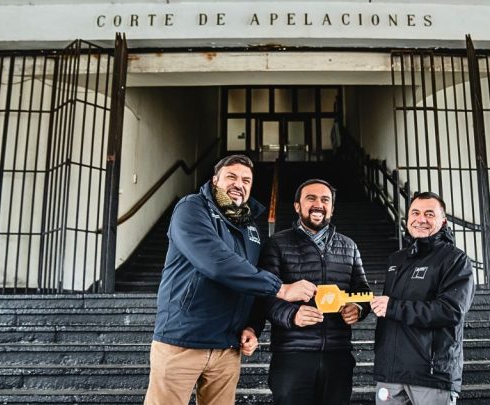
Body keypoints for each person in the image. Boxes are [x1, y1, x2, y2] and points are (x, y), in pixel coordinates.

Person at [144, 155, 317, 405]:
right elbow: (216, 262)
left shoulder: (251, 229)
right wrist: (280, 288)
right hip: (182, 342)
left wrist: (252, 326)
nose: (240, 184)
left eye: (246, 180)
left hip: (227, 347)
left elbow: (252, 283)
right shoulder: (192, 208)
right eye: (231, 177)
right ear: (215, 180)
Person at [258, 179, 372, 405]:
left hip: (337, 355)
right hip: (292, 355)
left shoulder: (349, 246)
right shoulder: (276, 244)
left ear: (332, 207)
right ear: (297, 206)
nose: (318, 204)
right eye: (311, 198)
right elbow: (264, 295)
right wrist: (292, 315)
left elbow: (363, 290)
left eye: (325, 199)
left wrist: (359, 309)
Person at [370, 192, 475, 405]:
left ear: (443, 221)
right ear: (407, 218)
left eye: (429, 214)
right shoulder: (396, 259)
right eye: (415, 213)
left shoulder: (455, 259)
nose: (421, 219)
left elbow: (451, 310)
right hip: (390, 375)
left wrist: (393, 307)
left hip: (431, 375)